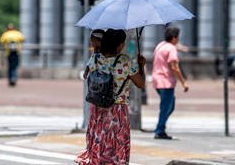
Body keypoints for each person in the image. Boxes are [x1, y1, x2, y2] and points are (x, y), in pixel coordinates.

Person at [76, 29, 146, 165]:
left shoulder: (95, 57)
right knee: (116, 141)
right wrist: (141, 66)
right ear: (120, 45)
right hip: (117, 110)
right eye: (123, 43)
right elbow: (140, 84)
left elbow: (85, 75)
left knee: (99, 138)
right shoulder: (125, 61)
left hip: (97, 107)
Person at [152, 26, 189, 140]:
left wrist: (181, 48)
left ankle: (160, 126)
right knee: (166, 107)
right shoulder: (171, 49)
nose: (178, 39)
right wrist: (183, 83)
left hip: (157, 80)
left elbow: (174, 46)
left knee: (169, 105)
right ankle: (160, 130)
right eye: (178, 37)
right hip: (166, 82)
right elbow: (175, 67)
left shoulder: (161, 45)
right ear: (174, 38)